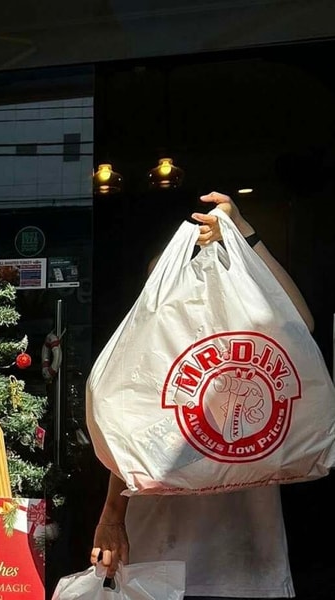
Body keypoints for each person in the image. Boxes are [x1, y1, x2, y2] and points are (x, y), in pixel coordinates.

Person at [89, 190, 314, 599]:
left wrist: (242, 230)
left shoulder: (251, 337)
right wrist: (112, 514)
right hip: (162, 549)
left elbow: (301, 323)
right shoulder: (150, 346)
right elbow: (128, 438)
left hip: (243, 557)